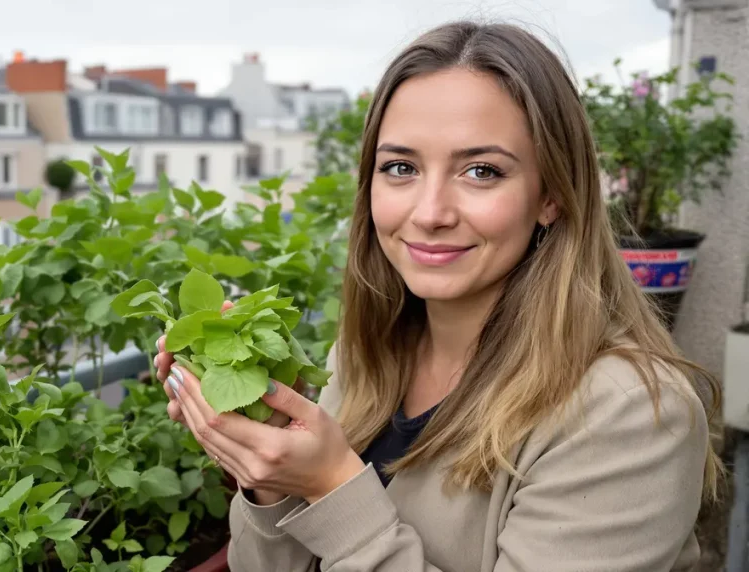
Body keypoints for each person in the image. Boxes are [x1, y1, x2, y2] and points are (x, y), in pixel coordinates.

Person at [152, 20, 721, 572]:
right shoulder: (364, 358)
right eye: (401, 167)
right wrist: (272, 469)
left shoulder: (630, 413)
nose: (429, 213)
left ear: (551, 195)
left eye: (481, 171)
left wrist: (331, 485)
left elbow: (339, 517)